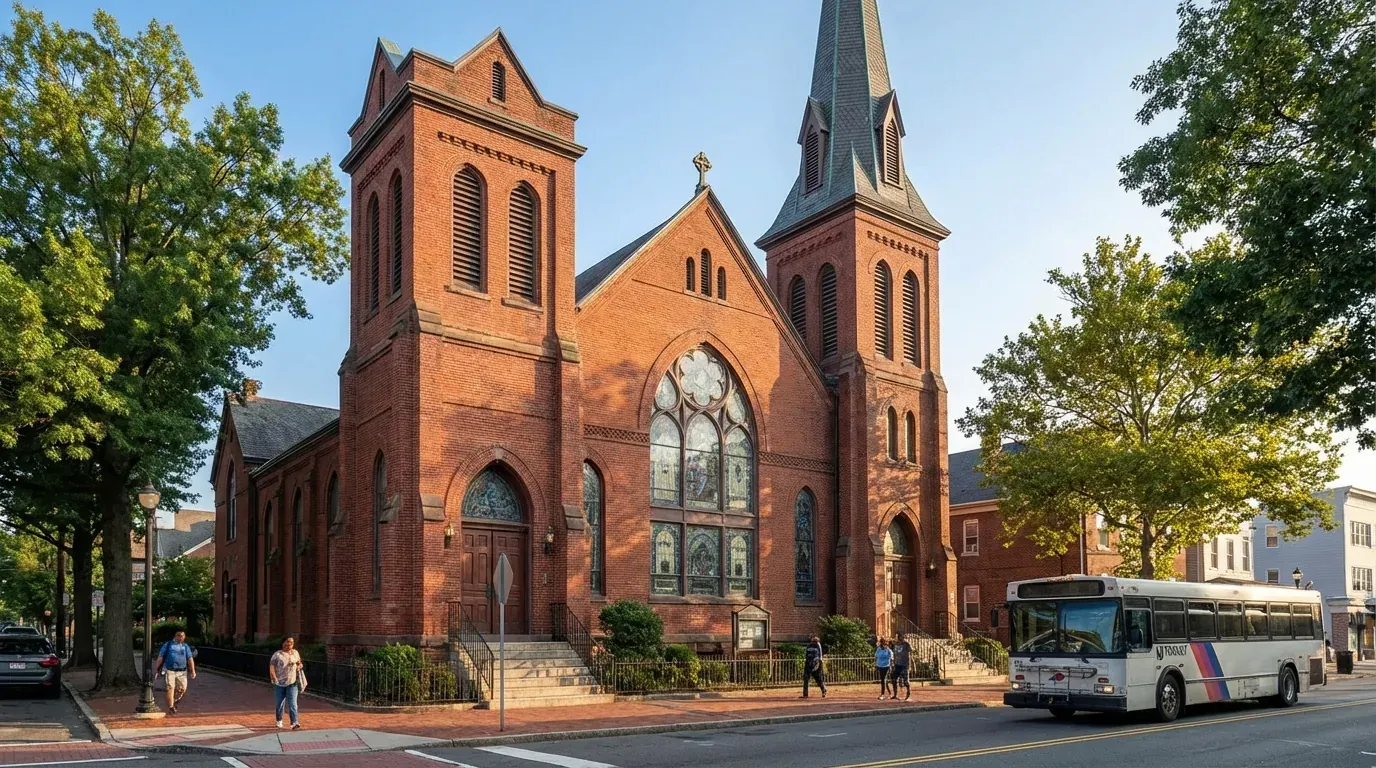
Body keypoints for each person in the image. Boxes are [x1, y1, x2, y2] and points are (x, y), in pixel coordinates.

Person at [153, 630, 196, 714]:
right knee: (170, 687)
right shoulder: (168, 645)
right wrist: (157, 669)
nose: (182, 639)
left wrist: (192, 670)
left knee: (182, 688)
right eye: (180, 637)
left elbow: (190, 658)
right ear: (176, 636)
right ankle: (171, 707)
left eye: (183, 637)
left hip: (182, 671)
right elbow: (160, 657)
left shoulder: (185, 646)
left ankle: (174, 700)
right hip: (170, 670)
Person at [269, 636, 303, 730]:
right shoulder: (277, 654)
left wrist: (299, 666)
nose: (289, 644)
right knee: (280, 703)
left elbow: (299, 663)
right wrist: (274, 677)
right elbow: (271, 667)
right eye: (287, 642)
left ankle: (294, 722)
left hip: (292, 682)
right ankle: (279, 719)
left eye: (291, 642)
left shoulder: (295, 653)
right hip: (279, 683)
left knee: (293, 704)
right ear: (283, 643)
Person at [890, 633, 911, 701]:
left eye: (899, 637)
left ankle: (908, 691)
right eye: (897, 637)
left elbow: (909, 655)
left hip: (904, 665)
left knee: (905, 681)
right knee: (894, 679)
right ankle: (895, 694)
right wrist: (893, 664)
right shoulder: (895, 645)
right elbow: (894, 654)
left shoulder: (906, 644)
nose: (898, 638)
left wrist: (909, 665)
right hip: (897, 664)